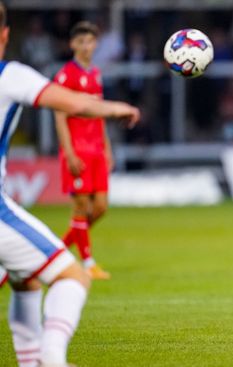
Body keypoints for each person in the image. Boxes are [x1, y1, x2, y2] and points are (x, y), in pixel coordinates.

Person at [0, 2, 140, 366]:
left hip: (95, 149)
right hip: (72, 154)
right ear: (5, 35)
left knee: (27, 280)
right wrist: (116, 108)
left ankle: (31, 360)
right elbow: (66, 106)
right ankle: (53, 359)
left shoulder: (94, 74)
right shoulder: (12, 74)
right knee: (71, 276)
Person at [53, 21, 117, 280]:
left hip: (97, 150)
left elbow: (99, 114)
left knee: (100, 207)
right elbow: (59, 114)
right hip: (77, 149)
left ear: (95, 44)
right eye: (81, 42)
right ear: (72, 45)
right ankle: (88, 262)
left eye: (90, 42)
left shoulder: (95, 74)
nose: (86, 47)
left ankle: (56, 253)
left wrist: (108, 148)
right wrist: (68, 151)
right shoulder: (66, 74)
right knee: (80, 207)